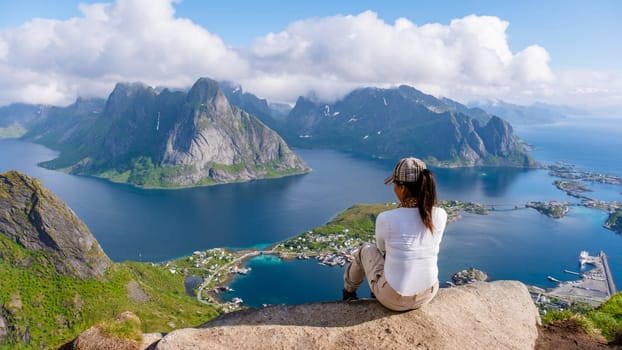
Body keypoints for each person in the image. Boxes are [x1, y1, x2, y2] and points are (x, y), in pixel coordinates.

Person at [342, 157, 447, 311]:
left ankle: (348, 293)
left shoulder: (387, 218)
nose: (393, 189)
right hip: (428, 293)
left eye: (395, 184)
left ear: (402, 187)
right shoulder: (440, 214)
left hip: (394, 299)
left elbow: (381, 248)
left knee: (366, 250)